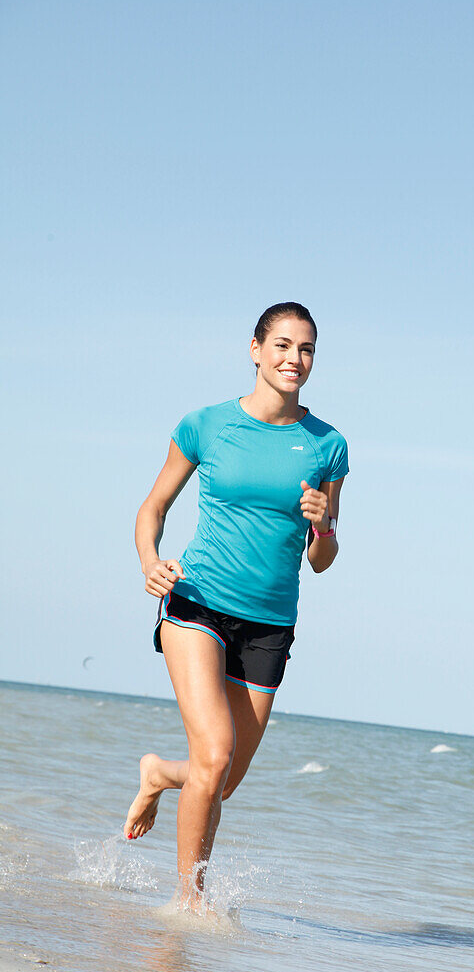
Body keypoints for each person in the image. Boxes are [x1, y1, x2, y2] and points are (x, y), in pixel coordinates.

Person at [123, 302, 348, 911]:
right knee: (215, 753)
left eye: (304, 350)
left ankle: (155, 775)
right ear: (255, 350)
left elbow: (321, 559)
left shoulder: (328, 446)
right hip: (196, 602)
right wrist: (151, 562)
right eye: (280, 345)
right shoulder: (208, 425)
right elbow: (153, 508)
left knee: (220, 779)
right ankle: (188, 905)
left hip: (270, 623)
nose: (292, 359)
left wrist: (324, 527)